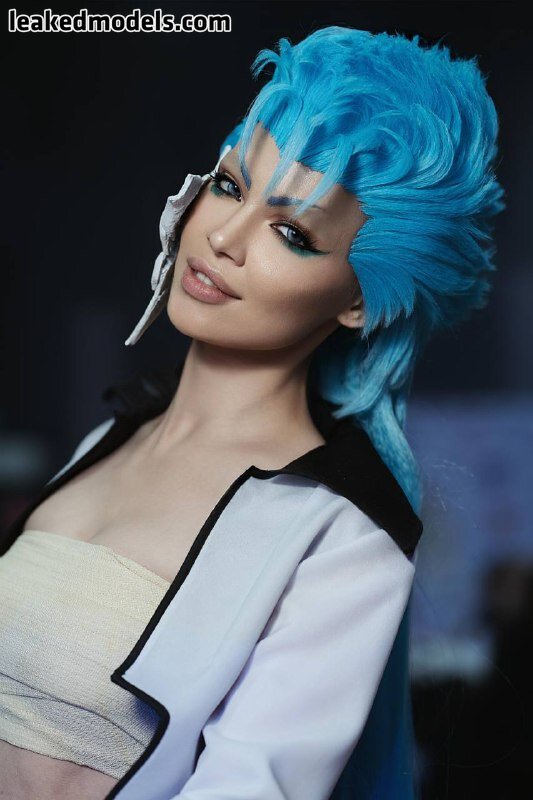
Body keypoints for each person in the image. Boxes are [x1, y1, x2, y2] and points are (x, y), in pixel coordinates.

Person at [0, 24, 505, 800]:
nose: (223, 238)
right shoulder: (111, 434)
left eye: (292, 233)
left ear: (359, 299)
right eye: (231, 186)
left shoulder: (339, 535)